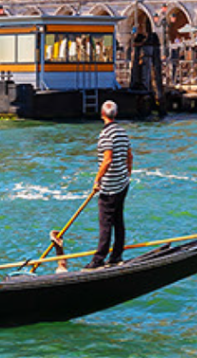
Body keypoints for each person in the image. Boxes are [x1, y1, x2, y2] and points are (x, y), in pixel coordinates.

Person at [85, 99, 133, 269]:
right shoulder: (122, 131)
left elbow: (107, 160)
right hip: (122, 183)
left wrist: (97, 180)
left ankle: (98, 260)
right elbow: (129, 156)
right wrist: (127, 173)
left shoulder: (106, 134)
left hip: (110, 187)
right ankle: (116, 255)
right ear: (116, 114)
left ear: (102, 114)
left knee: (105, 224)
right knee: (118, 220)